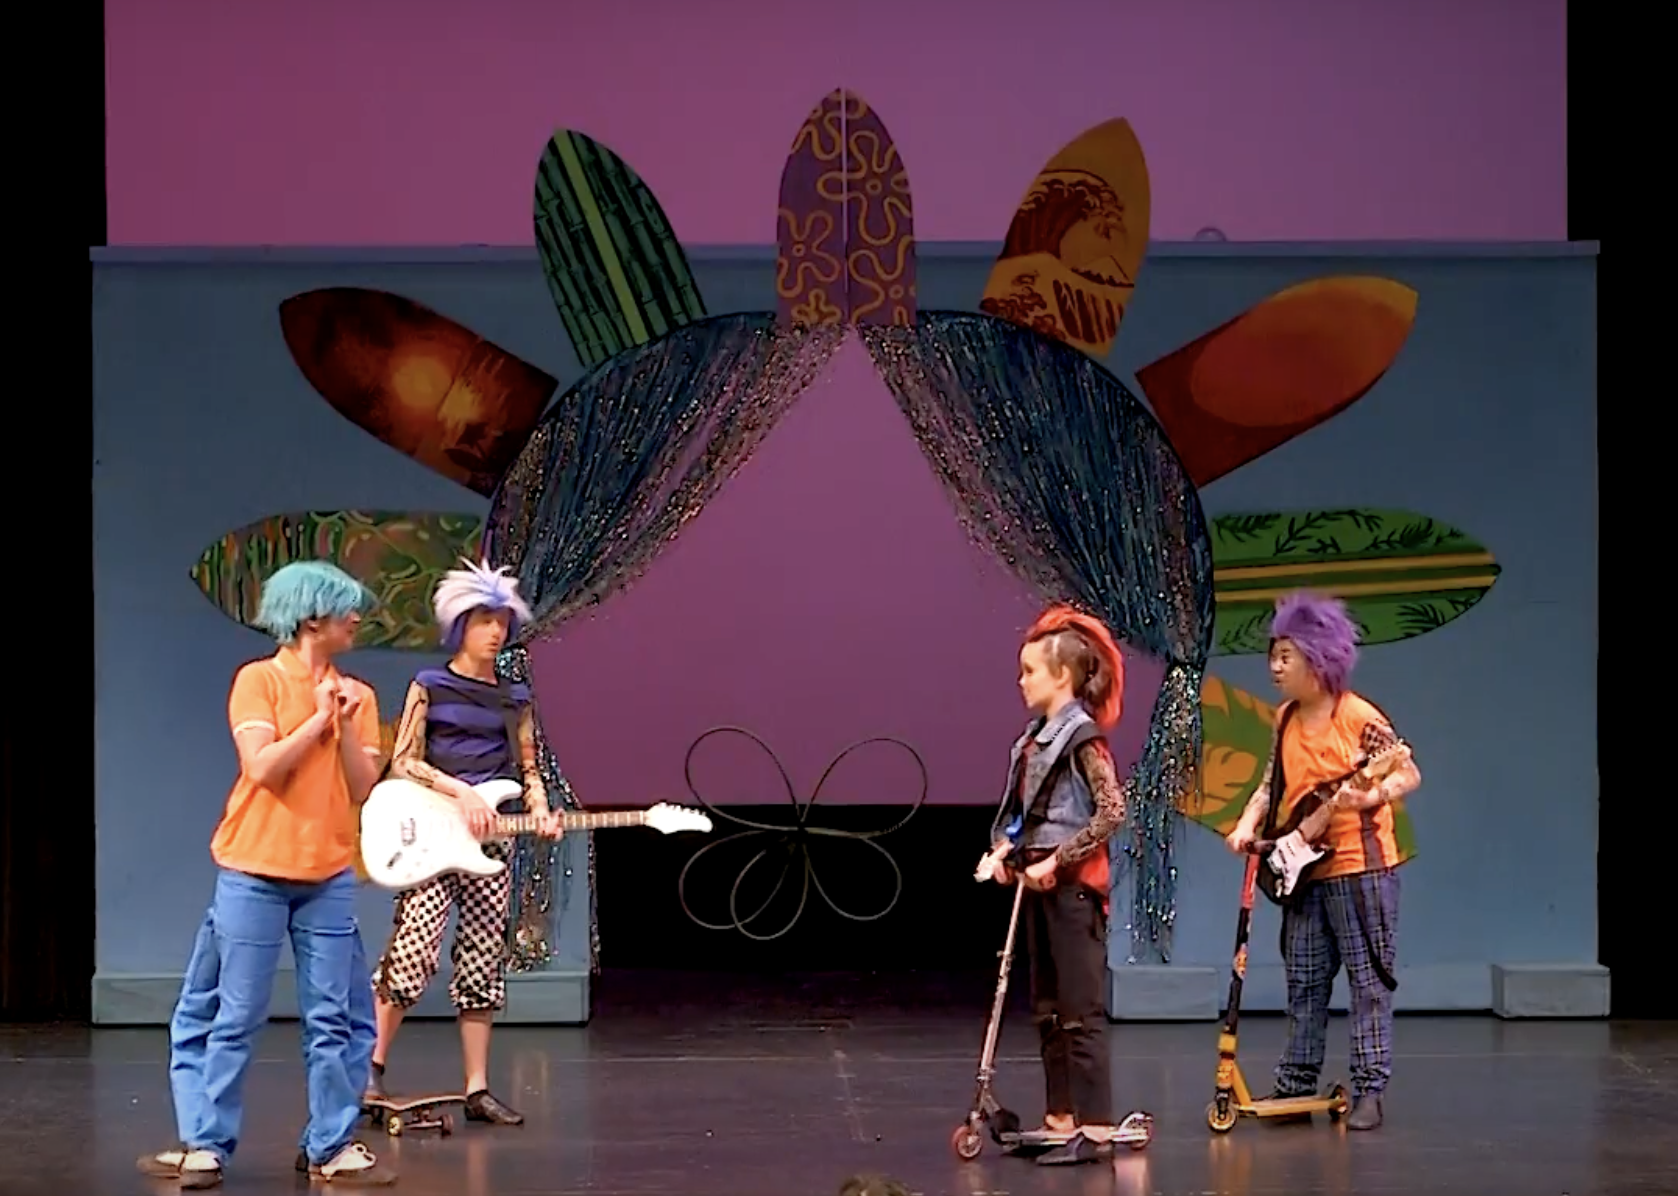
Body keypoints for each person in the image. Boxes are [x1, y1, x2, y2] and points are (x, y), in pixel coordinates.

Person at [138, 561, 394, 1188]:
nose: (356, 619)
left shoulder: (359, 696)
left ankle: (330, 1145)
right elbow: (263, 768)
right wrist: (317, 720)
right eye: (344, 610)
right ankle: (205, 1143)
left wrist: (343, 723)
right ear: (311, 619)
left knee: (335, 1018)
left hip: (327, 875)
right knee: (233, 1014)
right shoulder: (259, 681)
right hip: (253, 870)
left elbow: (364, 785)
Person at [368, 560, 562, 1125]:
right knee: (413, 951)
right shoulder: (430, 686)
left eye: (501, 621)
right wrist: (461, 793)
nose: (494, 632)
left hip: (491, 841)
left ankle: (477, 1087)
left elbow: (528, 768)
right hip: (432, 834)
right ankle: (369, 1069)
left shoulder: (514, 697)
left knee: (481, 957)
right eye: (483, 620)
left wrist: (540, 811)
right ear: (459, 625)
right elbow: (404, 760)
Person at [1224, 591, 1422, 1131]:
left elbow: (1407, 772)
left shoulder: (1357, 716)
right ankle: (1296, 1086)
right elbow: (1270, 783)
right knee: (1305, 981)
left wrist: (1370, 796)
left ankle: (1369, 1090)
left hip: (1361, 868)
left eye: (1286, 656)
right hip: (1304, 870)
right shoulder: (1285, 717)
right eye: (1273, 655)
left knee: (1368, 982)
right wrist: (1246, 825)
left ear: (1318, 659)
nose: (1275, 666)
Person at [976, 605, 1128, 1166]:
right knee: (1048, 1008)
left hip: (1073, 891)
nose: (1021, 681)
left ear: (1061, 676)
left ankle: (1097, 1125)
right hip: (1036, 887)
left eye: (1030, 672)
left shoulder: (1082, 738)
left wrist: (1060, 860)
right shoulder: (1032, 740)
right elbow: (1024, 813)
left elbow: (1112, 812)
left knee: (1081, 1009)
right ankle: (1061, 1115)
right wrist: (1005, 852)